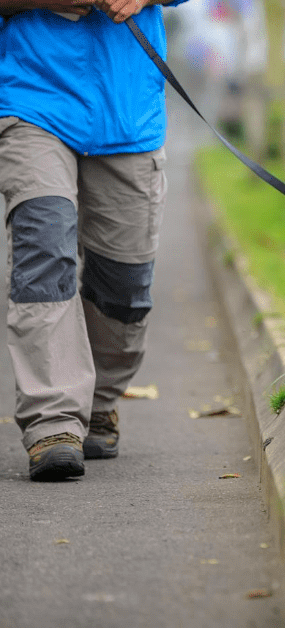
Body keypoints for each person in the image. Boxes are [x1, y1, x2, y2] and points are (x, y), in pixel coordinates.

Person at [0, 0, 189, 480]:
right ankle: (54, 421)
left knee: (124, 282)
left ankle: (99, 401)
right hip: (32, 100)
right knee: (43, 253)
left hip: (128, 112)